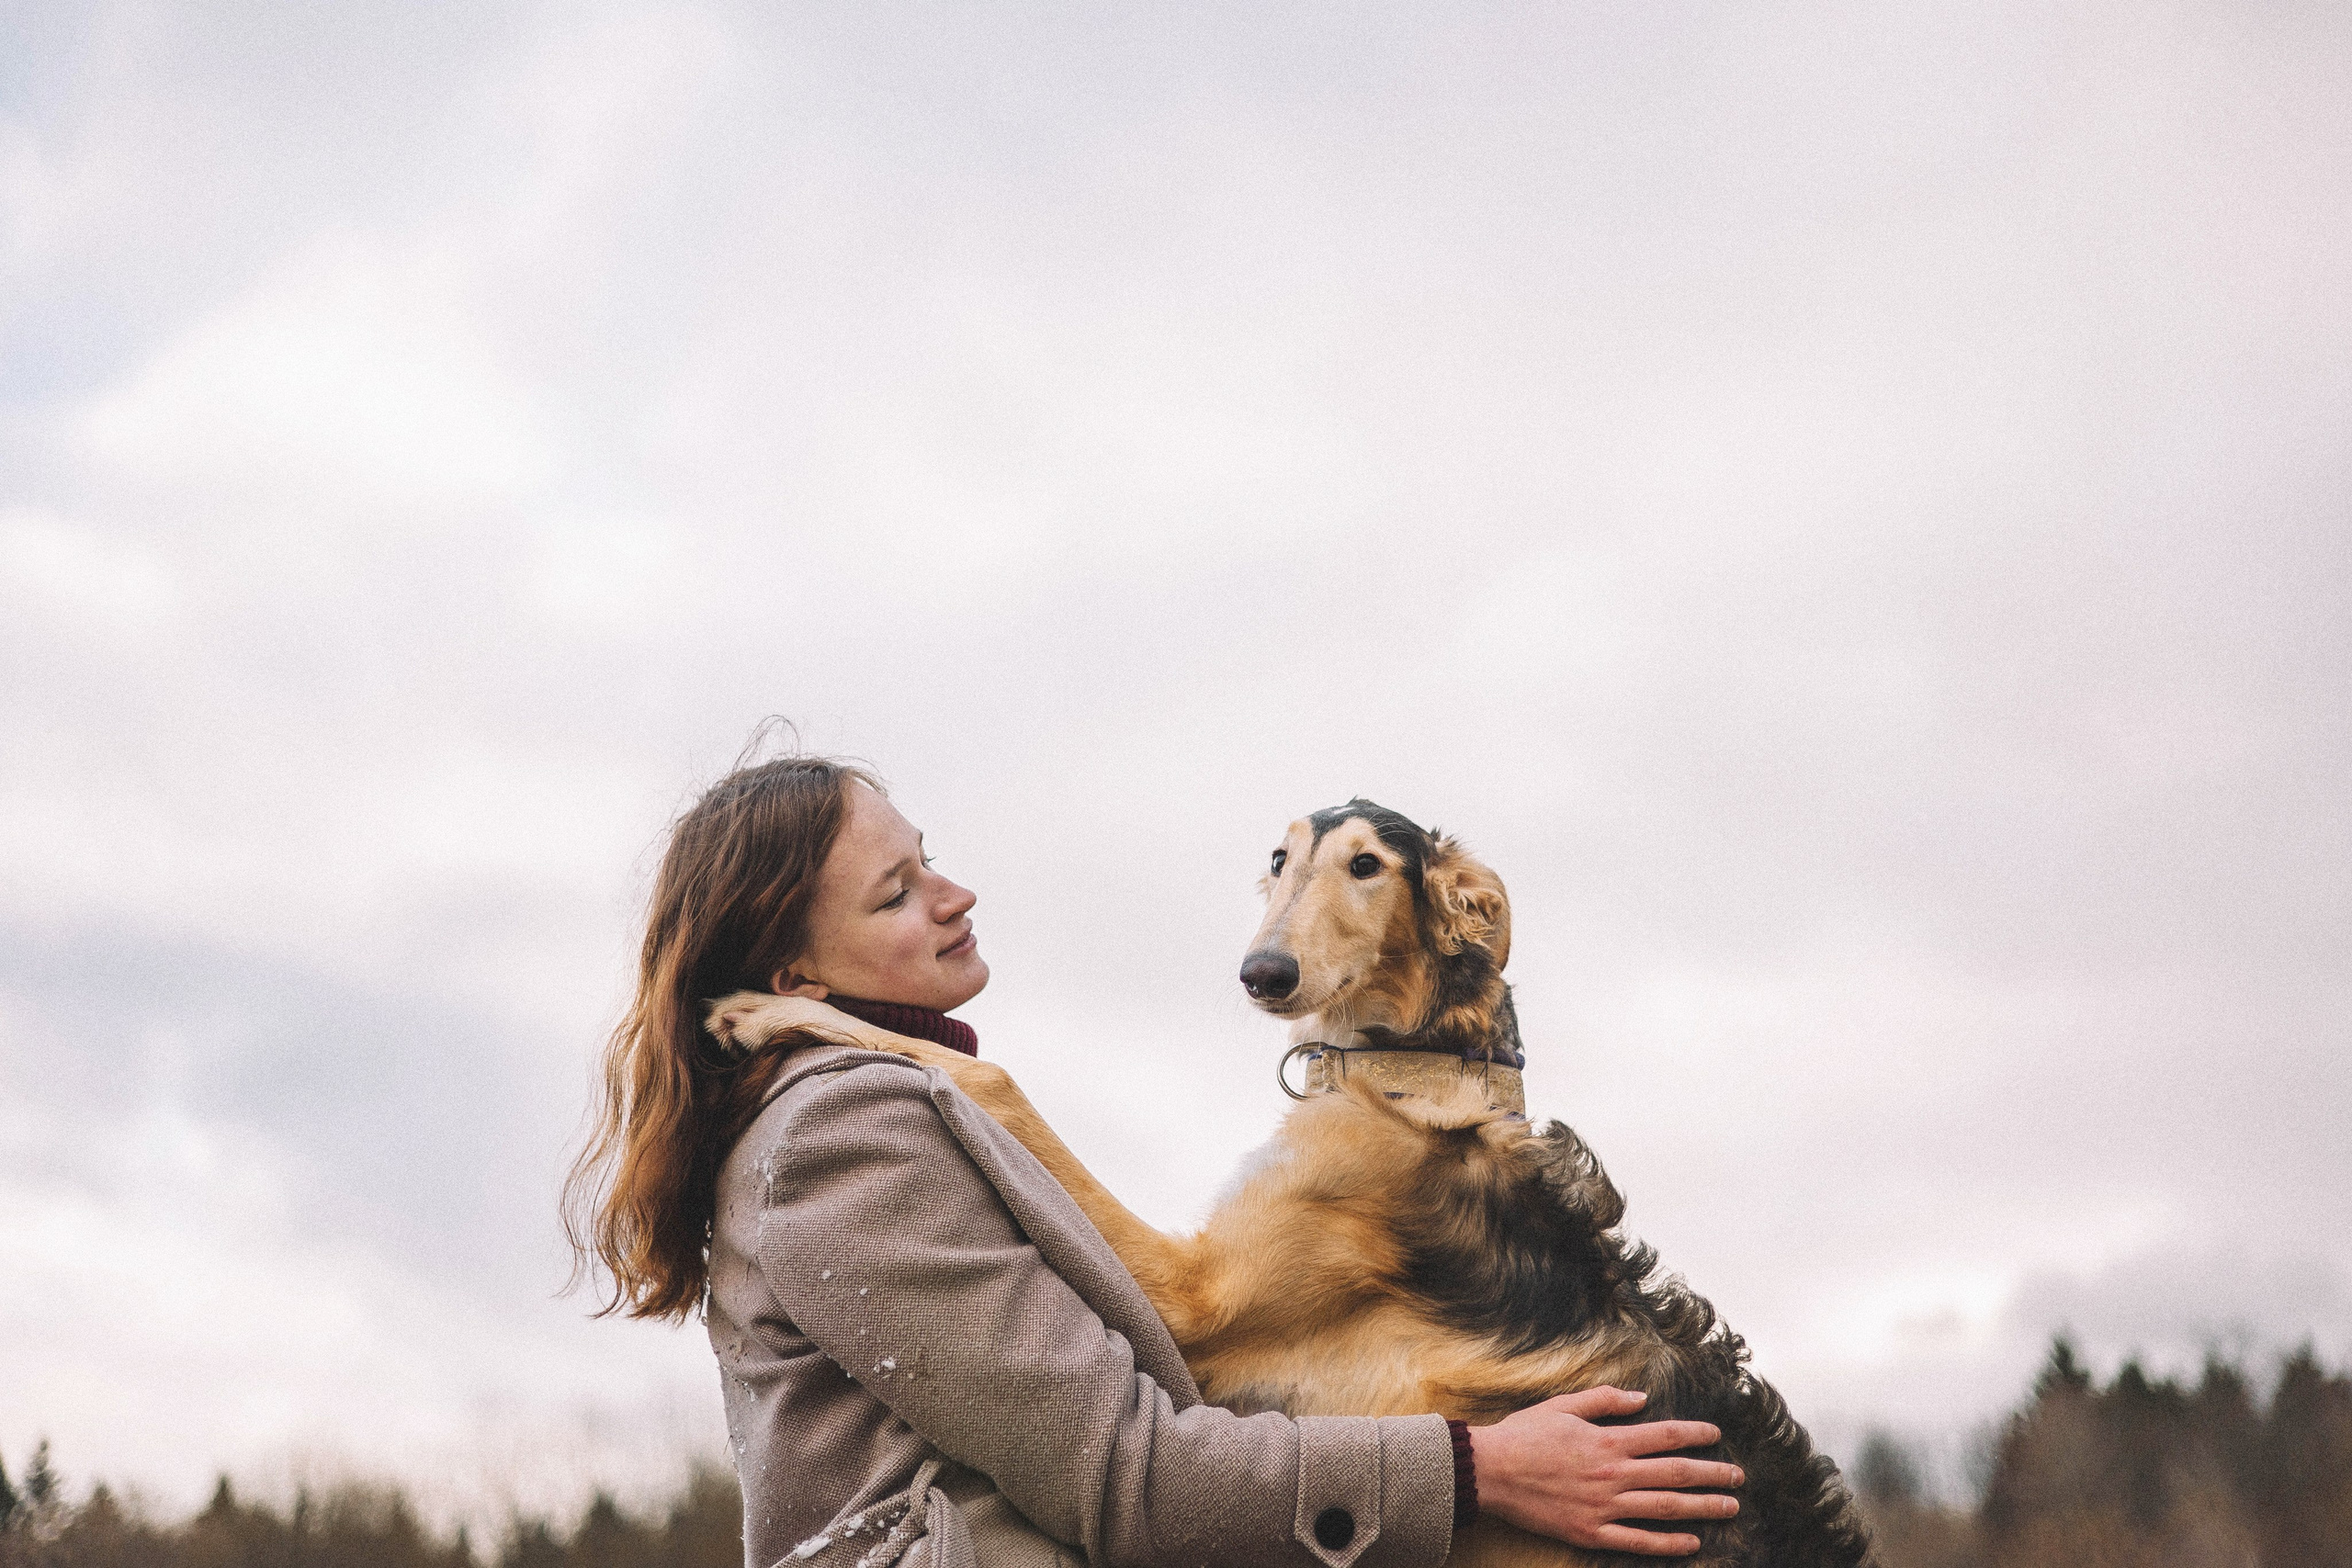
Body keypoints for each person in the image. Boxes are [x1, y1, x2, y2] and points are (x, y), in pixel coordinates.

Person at [570, 754, 1743, 1568]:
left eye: (927, 860)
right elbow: (1131, 1477)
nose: (955, 894)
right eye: (897, 894)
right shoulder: (842, 1138)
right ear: (796, 982)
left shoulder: (879, 1108)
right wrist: (1480, 1471)